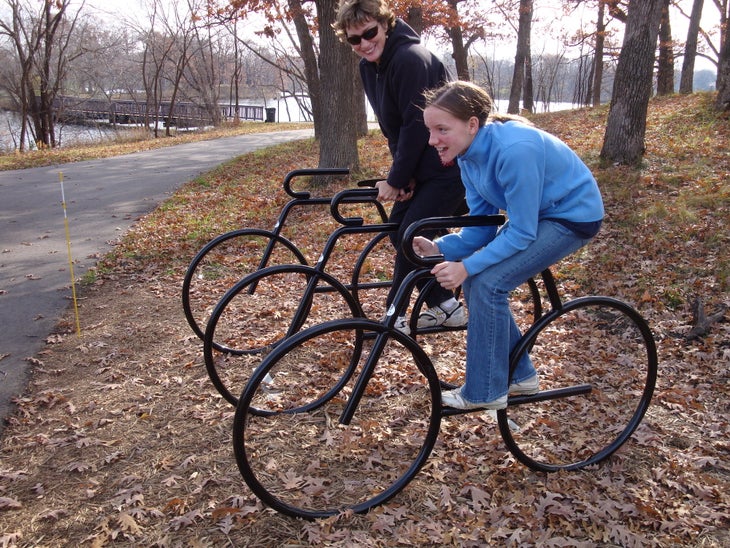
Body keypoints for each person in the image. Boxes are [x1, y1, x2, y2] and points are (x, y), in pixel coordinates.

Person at [414, 80, 605, 410]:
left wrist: (466, 266)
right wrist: (442, 248)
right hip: (537, 218)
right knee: (478, 279)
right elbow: (483, 229)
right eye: (430, 130)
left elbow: (521, 233)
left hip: (572, 216)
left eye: (441, 129)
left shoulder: (515, 150)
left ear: (472, 125)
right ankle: (521, 376)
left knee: (486, 283)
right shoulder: (467, 156)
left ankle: (484, 391)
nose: (433, 140)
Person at [333, 0, 467, 335]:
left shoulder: (411, 59)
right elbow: (394, 130)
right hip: (422, 167)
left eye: (369, 33)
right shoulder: (370, 68)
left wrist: (395, 179)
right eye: (354, 39)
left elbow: (417, 125)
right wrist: (402, 176)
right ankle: (446, 305)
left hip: (450, 167)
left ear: (385, 24)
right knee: (399, 232)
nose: (363, 43)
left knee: (410, 236)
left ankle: (393, 319)